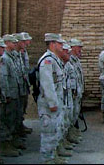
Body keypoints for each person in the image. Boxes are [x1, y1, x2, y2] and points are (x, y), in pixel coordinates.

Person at [37, 33, 66, 164]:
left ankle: (53, 156)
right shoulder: (47, 60)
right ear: (53, 44)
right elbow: (47, 84)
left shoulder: (54, 59)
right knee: (48, 133)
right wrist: (52, 103)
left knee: (55, 130)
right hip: (48, 105)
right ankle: (47, 160)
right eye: (59, 44)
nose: (61, 46)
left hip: (56, 101)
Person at [0, 35, 22, 157]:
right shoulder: (5, 59)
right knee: (5, 120)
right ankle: (4, 145)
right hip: (7, 95)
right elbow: (3, 79)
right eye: (12, 43)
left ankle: (10, 141)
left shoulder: (10, 57)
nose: (15, 44)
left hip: (12, 93)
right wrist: (6, 95)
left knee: (12, 118)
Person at [68, 39, 84, 142]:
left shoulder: (76, 60)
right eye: (79, 47)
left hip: (77, 92)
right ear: (73, 47)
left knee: (75, 114)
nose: (80, 49)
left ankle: (72, 131)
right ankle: (69, 134)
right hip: (72, 94)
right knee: (70, 115)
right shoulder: (69, 60)